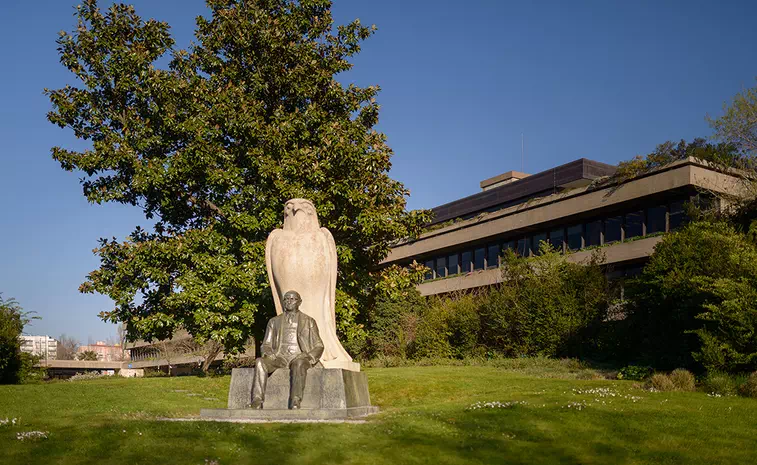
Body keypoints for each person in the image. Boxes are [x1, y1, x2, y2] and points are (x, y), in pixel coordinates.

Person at [250, 290, 324, 409]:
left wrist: (308, 356)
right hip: (280, 357)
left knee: (299, 364)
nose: (289, 301)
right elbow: (266, 344)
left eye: (292, 299)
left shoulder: (309, 321)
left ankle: (295, 400)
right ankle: (257, 400)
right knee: (260, 362)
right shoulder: (274, 321)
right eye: (286, 299)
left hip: (299, 357)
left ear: (299, 302)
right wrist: (268, 352)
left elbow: (319, 345)